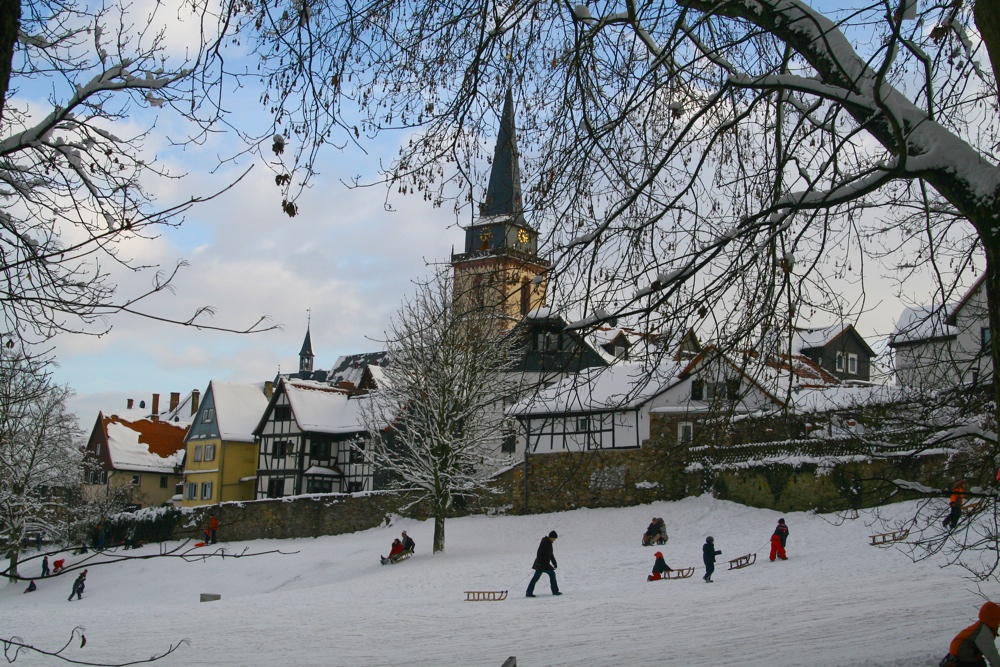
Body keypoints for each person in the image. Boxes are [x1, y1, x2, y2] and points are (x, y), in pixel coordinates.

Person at [942, 600, 1000, 667]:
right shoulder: (984, 633)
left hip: (958, 651)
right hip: (964, 653)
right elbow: (992, 654)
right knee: (980, 664)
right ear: (995, 618)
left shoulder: (981, 625)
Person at [526, 530, 561, 598]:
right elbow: (539, 552)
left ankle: (529, 592)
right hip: (541, 564)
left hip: (545, 564)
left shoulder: (549, 542)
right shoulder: (545, 541)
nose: (554, 540)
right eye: (554, 538)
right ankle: (555, 591)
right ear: (551, 537)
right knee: (550, 574)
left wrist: (554, 563)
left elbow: (551, 554)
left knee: (538, 577)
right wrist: (539, 562)